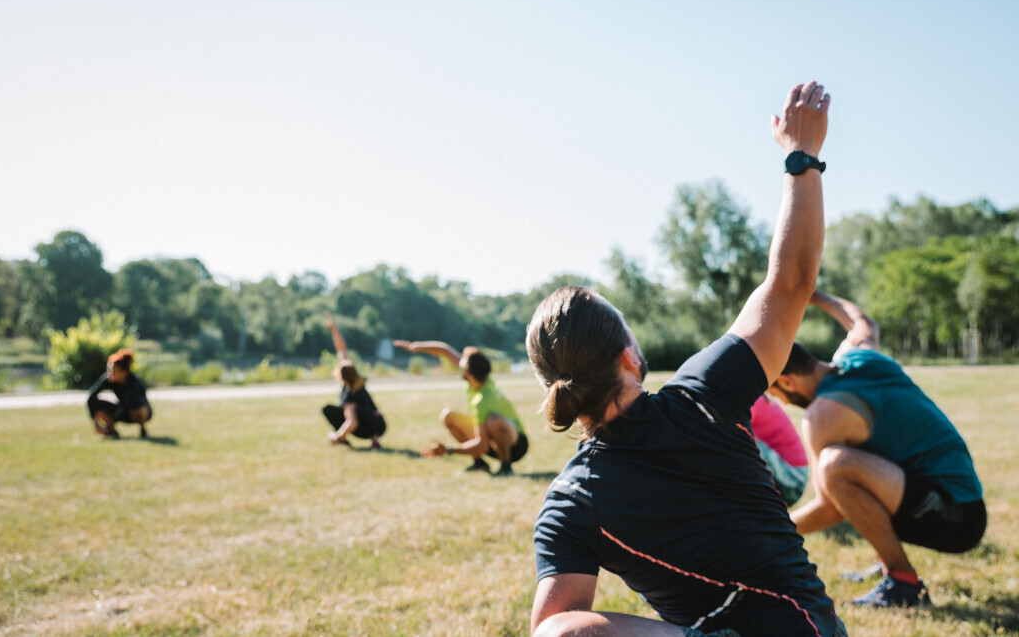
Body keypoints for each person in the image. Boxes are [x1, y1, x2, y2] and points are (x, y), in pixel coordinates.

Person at [525, 82, 844, 636]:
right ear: (629, 355)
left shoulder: (571, 500)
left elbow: (557, 626)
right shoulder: (705, 392)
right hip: (806, 629)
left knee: (556, 629)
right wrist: (802, 156)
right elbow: (791, 281)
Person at [768, 290, 986, 609]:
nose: (781, 403)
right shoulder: (859, 358)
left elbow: (830, 508)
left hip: (955, 520)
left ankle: (904, 584)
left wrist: (769, 527)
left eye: (774, 394)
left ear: (787, 382)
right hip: (964, 502)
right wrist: (812, 295)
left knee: (834, 466)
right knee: (853, 459)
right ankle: (887, 559)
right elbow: (861, 321)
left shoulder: (823, 416)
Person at [392, 339, 527, 476]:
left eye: (463, 362)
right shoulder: (478, 378)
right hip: (493, 442)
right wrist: (416, 347)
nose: (459, 362)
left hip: (516, 446)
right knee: (448, 416)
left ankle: (506, 466)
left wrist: (448, 450)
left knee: (494, 420)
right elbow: (445, 350)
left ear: (469, 373)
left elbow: (482, 445)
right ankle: (479, 463)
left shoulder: (483, 399)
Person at [321, 314, 386, 450]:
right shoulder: (355, 381)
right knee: (329, 409)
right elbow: (342, 349)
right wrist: (333, 329)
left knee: (361, 410)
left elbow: (352, 423)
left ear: (340, 374)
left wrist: (337, 436)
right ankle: (354, 440)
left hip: (372, 427)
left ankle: (374, 441)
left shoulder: (351, 394)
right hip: (370, 424)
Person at [751, 394, 810, 506]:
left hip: (794, 481)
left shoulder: (749, 400)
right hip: (789, 476)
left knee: (736, 438)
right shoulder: (753, 396)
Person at [87, 349, 152, 439]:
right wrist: (95, 423)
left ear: (124, 372)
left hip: (136, 411)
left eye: (112, 370)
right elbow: (91, 397)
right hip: (122, 410)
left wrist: (109, 423)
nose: (109, 373)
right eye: (108, 370)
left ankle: (142, 428)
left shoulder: (134, 382)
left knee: (136, 404)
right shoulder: (109, 379)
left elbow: (126, 403)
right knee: (97, 404)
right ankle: (112, 431)